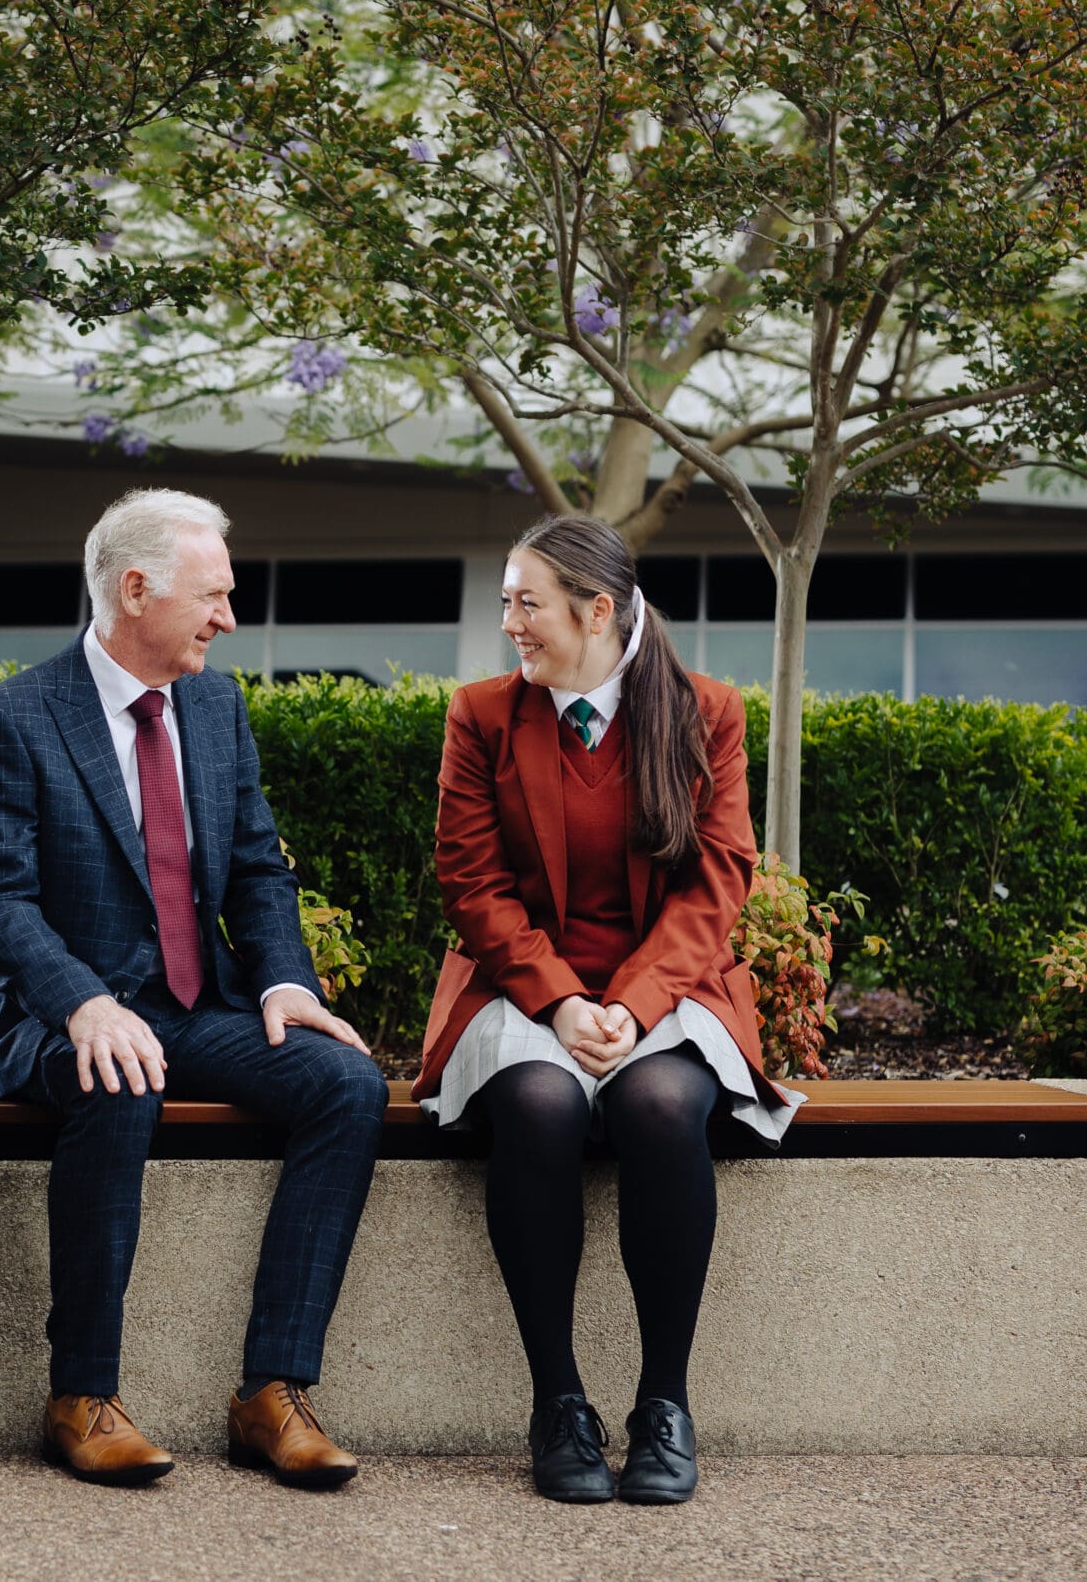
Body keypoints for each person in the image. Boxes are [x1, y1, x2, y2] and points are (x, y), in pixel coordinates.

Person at [0, 488, 388, 1490]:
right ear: (136, 589)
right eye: (214, 596)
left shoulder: (213, 704)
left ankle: (272, 1393)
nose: (227, 619)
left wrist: (283, 982)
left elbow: (253, 869)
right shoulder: (14, 718)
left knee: (348, 1086)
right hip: (56, 1018)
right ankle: (81, 1396)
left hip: (200, 1007)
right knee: (118, 1078)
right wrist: (85, 1002)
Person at [421, 513, 804, 1506]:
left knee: (660, 1109)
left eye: (525, 601)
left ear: (596, 612)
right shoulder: (481, 717)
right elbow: (471, 883)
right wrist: (557, 1004)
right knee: (542, 1106)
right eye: (505, 599)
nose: (509, 620)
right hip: (520, 991)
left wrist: (630, 1008)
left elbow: (718, 877)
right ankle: (559, 1405)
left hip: (667, 991)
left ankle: (663, 1407)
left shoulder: (704, 711)